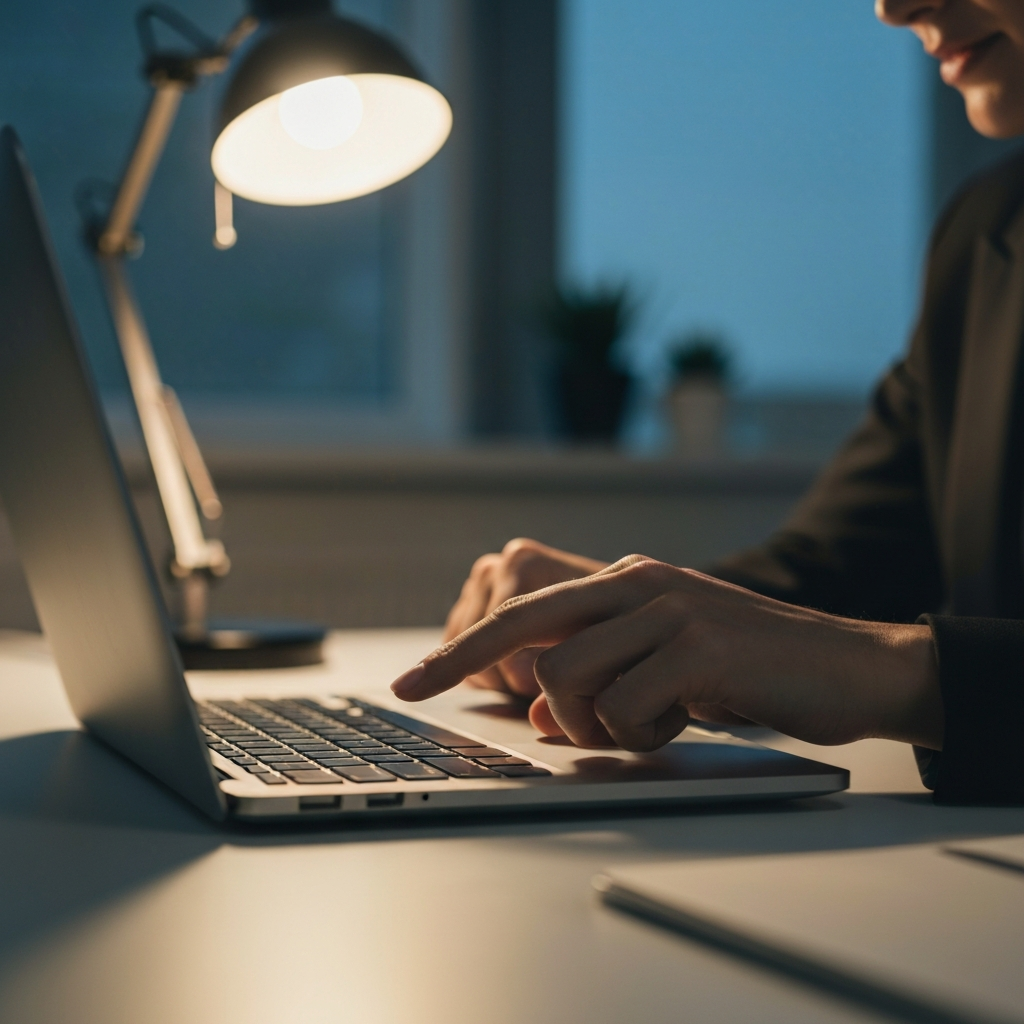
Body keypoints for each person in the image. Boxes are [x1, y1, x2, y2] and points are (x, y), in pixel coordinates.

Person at [392, 0, 1024, 806]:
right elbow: (837, 570)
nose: (895, 7)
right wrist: (636, 613)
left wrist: (899, 674)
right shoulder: (987, 231)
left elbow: (848, 651)